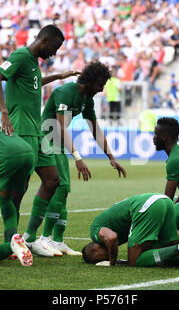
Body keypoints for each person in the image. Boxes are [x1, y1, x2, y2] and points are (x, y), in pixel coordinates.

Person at [0, 24, 79, 256]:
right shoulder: (21, 55)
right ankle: (11, 239)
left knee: (53, 180)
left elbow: (34, 84)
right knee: (17, 188)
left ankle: (27, 237)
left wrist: (58, 76)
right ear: (45, 40)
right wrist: (4, 112)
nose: (55, 53)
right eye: (55, 47)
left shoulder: (33, 63)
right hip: (21, 130)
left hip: (36, 132)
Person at [36, 61, 127, 256]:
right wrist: (77, 157)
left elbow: (95, 127)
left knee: (64, 191)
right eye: (100, 85)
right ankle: (44, 239)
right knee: (60, 187)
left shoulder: (87, 99)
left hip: (57, 141)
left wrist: (111, 156)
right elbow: (59, 127)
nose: (102, 90)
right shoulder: (66, 93)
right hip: (46, 138)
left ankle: (58, 241)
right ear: (90, 81)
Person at [81, 193, 179, 271]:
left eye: (100, 258)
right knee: (172, 240)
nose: (104, 258)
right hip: (164, 201)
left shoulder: (94, 231)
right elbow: (178, 234)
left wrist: (112, 262)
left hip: (147, 206)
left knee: (134, 260)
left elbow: (111, 237)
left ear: (94, 250)